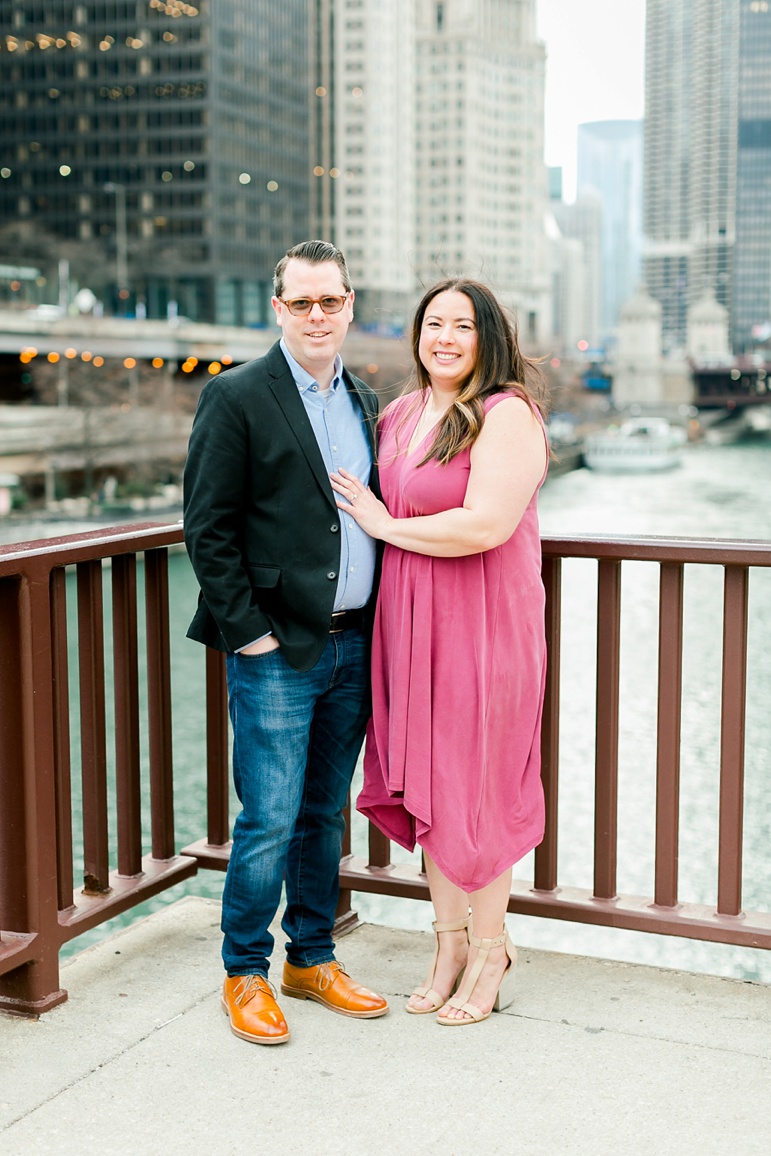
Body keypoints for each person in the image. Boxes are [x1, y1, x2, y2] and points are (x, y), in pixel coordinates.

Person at [184, 240, 388, 1046]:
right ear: (276, 309)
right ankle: (245, 973)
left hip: (354, 646)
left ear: (348, 305)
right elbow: (209, 526)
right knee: (267, 818)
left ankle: (310, 958)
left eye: (329, 302)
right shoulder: (236, 396)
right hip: (277, 650)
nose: (315, 316)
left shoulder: (366, 400)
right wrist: (253, 637)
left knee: (322, 814)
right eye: (300, 302)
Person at [330, 278, 548, 1027]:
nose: (445, 338)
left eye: (462, 325)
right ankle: (448, 943)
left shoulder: (505, 413)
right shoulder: (399, 413)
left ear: (489, 336)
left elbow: (484, 526)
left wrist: (384, 525)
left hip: (484, 626)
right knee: (427, 786)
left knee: (476, 791)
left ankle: (491, 950)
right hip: (408, 625)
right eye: (433, 324)